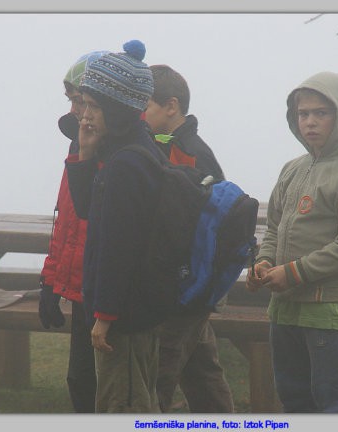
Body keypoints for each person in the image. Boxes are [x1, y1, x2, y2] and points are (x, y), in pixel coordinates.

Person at [246, 71, 338, 413]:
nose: (311, 122)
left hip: (327, 310)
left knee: (334, 401)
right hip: (286, 307)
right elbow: (274, 227)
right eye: (303, 114)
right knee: (294, 397)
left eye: (321, 113)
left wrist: (292, 272)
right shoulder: (292, 169)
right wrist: (264, 262)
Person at [65, 40, 166, 413]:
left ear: (120, 109)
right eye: (84, 105)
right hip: (133, 309)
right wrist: (86, 154)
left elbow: (117, 248)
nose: (84, 115)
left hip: (123, 315)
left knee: (122, 407)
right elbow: (91, 213)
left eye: (94, 106)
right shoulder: (131, 150)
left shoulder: (128, 165)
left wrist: (104, 315)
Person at [143, 64, 233, 413]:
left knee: (160, 374)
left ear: (172, 106)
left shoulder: (193, 153)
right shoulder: (161, 145)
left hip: (185, 284)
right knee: (201, 370)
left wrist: (185, 282)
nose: (140, 114)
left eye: (145, 105)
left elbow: (203, 224)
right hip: (187, 284)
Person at [38, 50, 107, 413]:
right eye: (73, 100)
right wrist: (50, 280)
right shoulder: (78, 143)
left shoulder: (118, 148)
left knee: (111, 390)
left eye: (83, 100)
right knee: (81, 383)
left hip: (107, 288)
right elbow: (66, 221)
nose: (77, 109)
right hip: (80, 286)